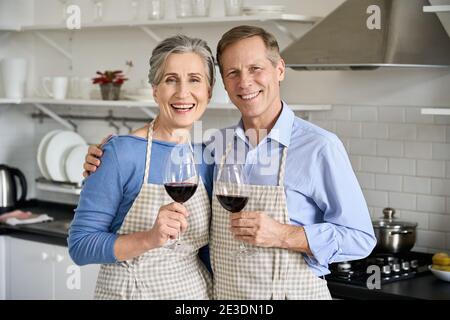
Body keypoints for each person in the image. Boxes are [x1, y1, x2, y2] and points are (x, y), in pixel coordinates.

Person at [83, 26, 377, 300]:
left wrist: (285, 235)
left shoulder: (319, 147)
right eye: (233, 72)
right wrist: (105, 158)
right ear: (222, 83)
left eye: (255, 69)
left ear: (279, 70)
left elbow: (360, 239)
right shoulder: (214, 148)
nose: (245, 82)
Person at [68, 35, 216, 300]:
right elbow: (80, 246)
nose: (183, 92)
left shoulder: (206, 158)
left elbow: (205, 251)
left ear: (209, 91)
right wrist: (149, 238)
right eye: (171, 79)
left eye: (194, 79)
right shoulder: (120, 152)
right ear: (155, 90)